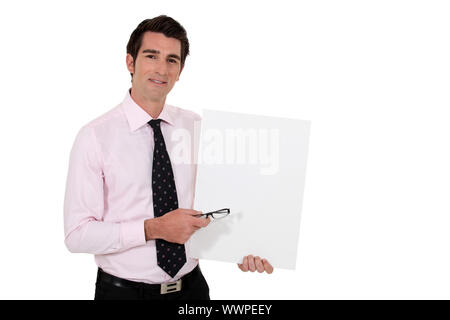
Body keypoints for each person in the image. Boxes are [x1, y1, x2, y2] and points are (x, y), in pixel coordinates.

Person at [63, 15, 273, 301]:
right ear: (130, 62)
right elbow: (77, 234)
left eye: (172, 60)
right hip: (123, 294)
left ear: (181, 69)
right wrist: (153, 229)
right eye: (151, 56)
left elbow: (216, 207)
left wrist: (241, 248)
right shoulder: (94, 137)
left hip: (192, 290)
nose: (161, 68)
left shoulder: (196, 128)